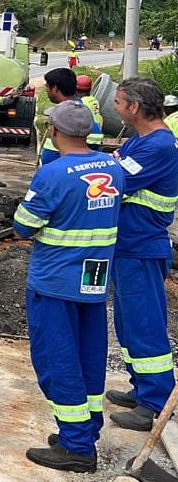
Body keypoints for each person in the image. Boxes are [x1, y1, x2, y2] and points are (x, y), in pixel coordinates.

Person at [15, 101, 122, 473]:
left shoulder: (53, 174)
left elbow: (23, 226)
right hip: (94, 276)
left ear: (55, 132)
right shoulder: (113, 166)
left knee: (57, 358)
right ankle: (84, 430)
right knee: (89, 354)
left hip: (56, 280)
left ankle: (76, 445)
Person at [105, 78, 178, 431]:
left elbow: (114, 178)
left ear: (134, 107)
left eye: (118, 102)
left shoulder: (159, 146)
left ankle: (155, 401)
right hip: (129, 246)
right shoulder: (142, 140)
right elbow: (116, 166)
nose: (115, 108)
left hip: (141, 247)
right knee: (128, 323)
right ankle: (141, 387)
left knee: (145, 324)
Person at [40, 69, 103, 165]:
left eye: (47, 86)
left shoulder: (68, 116)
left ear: (55, 88)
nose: (46, 90)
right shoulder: (81, 110)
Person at [75, 75, 103, 147]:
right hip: (98, 136)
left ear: (76, 90)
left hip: (88, 137)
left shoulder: (81, 102)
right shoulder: (94, 100)